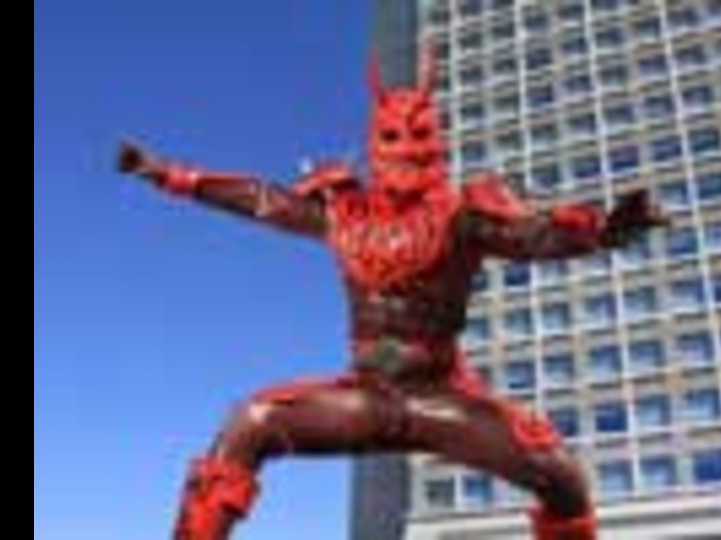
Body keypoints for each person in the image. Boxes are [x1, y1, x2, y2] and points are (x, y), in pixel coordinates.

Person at [118, 58, 667, 540]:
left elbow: (533, 236)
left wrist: (603, 229)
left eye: (418, 133)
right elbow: (263, 200)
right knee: (250, 422)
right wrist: (172, 176)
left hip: (443, 398)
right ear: (374, 141)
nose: (407, 147)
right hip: (368, 397)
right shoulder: (342, 213)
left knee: (562, 476)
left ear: (436, 138)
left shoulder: (462, 216)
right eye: (393, 136)